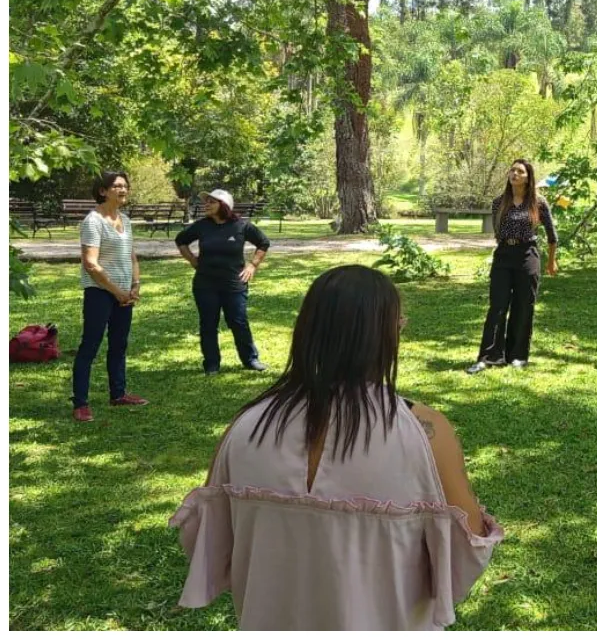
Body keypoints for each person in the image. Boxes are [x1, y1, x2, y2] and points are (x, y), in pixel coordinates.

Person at [170, 265, 503, 630]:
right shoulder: (424, 432)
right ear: (388, 335)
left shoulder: (245, 427)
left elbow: (209, 548)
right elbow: (466, 553)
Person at [466, 159, 558, 374]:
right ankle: (488, 356)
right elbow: (498, 233)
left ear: (528, 178)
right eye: (513, 170)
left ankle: (517, 355)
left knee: (523, 306)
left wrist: (551, 261)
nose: (514, 174)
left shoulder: (539, 203)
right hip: (504, 256)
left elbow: (553, 236)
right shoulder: (499, 202)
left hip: (528, 255)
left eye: (520, 171)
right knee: (497, 306)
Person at [71, 171, 148, 421]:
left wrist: (135, 285)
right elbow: (90, 264)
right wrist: (117, 292)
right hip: (100, 293)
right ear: (103, 191)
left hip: (124, 293)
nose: (122, 190)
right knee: (90, 346)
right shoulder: (93, 221)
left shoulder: (125, 219)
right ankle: (80, 403)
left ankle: (118, 394)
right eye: (116, 186)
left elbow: (131, 256)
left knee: (119, 345)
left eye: (125, 185)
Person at [175, 189, 270, 375]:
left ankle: (250, 359)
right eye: (206, 201)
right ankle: (212, 364)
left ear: (224, 205)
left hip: (234, 284)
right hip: (205, 284)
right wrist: (192, 260)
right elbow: (181, 240)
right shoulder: (202, 225)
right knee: (208, 323)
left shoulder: (241, 226)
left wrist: (252, 265)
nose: (206, 204)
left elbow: (263, 242)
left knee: (238, 321)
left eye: (212, 201)